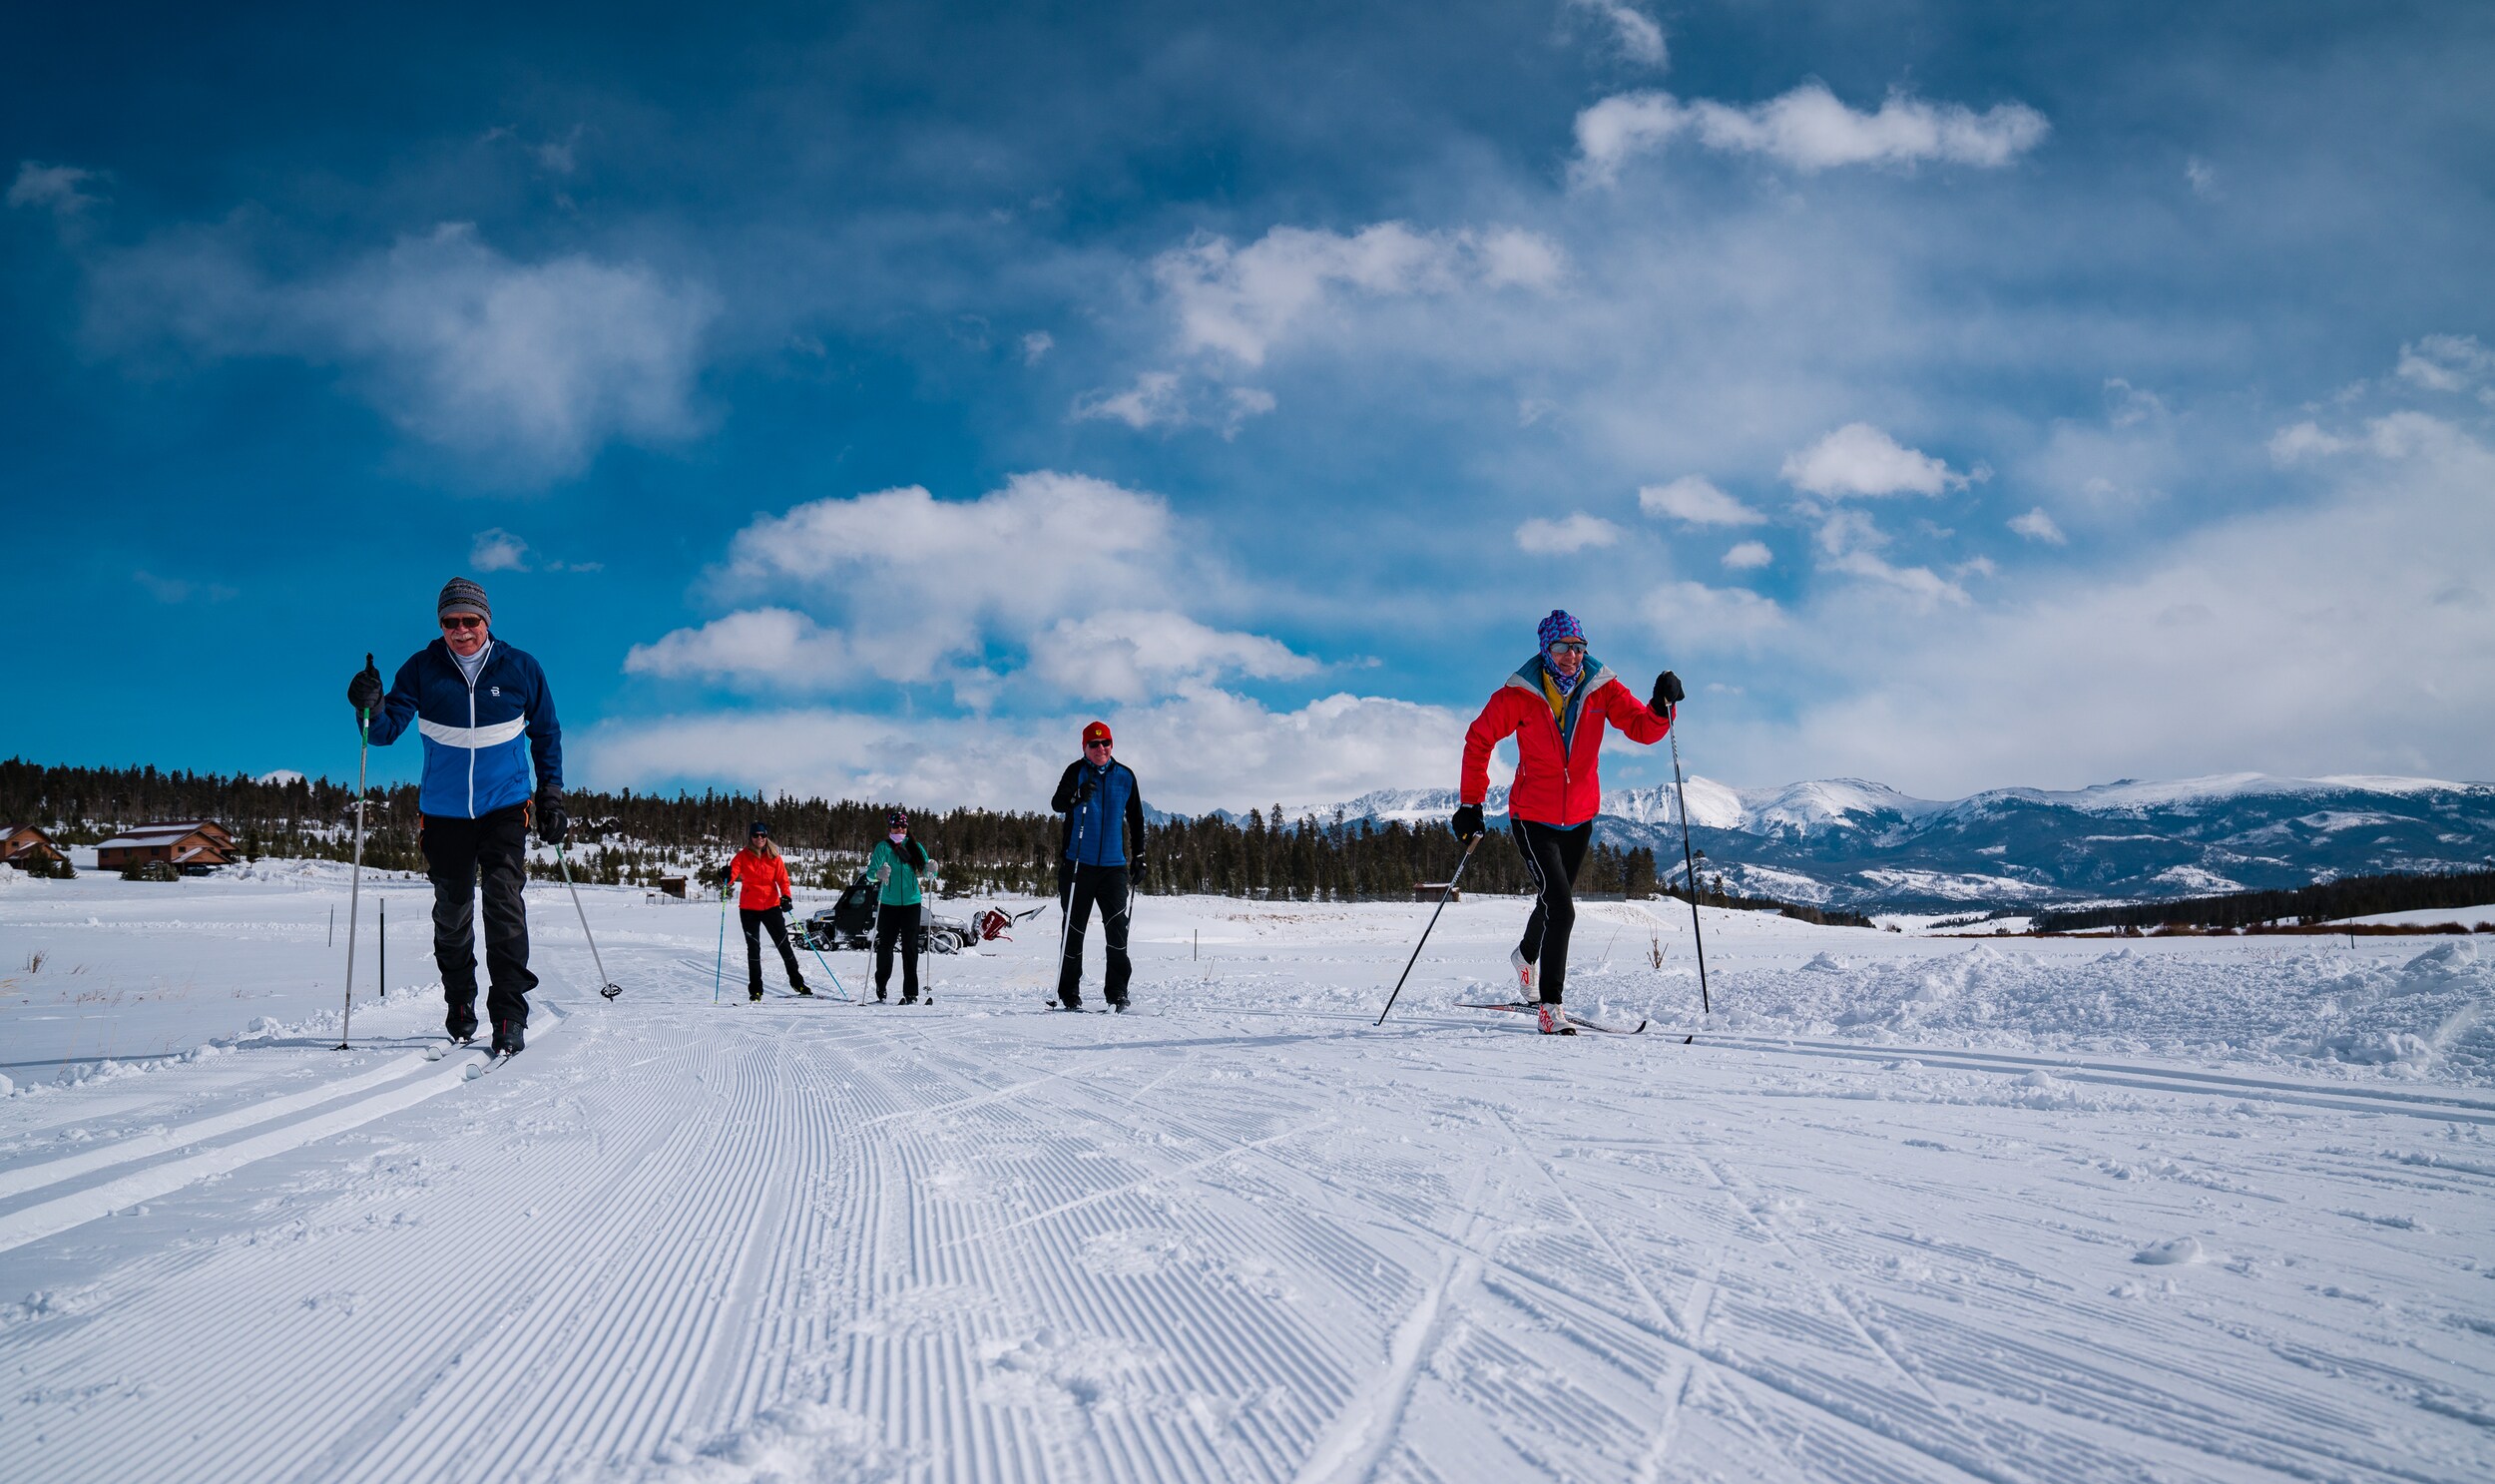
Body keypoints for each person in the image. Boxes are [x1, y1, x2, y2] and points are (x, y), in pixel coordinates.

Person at [347, 578, 562, 1057]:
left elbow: (546, 733)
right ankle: (460, 1002)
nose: (461, 630)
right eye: (450, 622)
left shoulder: (521, 668)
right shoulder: (422, 670)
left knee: (504, 902)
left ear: (487, 621)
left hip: (505, 805)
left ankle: (508, 1013)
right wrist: (369, 705)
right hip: (443, 813)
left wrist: (551, 795)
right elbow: (382, 734)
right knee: (453, 912)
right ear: (440, 624)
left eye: (471, 620)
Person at [1455, 610, 1682, 1036]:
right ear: (1546, 650)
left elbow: (1641, 728)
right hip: (1532, 816)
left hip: (1579, 818)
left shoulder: (1601, 688)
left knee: (1550, 901)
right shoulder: (1518, 695)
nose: (1572, 656)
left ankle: (1525, 957)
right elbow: (1479, 738)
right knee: (1562, 908)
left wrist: (1659, 706)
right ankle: (1550, 1007)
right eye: (1562, 648)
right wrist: (1471, 803)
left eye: (1579, 648)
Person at [1050, 721, 1146, 1011]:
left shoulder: (1125, 776)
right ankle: (1069, 993)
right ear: (1085, 747)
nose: (1101, 748)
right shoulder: (1075, 772)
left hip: (1113, 867)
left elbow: (1137, 819)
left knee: (1117, 931)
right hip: (1078, 864)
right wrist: (1077, 797)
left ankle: (1117, 992)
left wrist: (1139, 857)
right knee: (1073, 932)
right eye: (1094, 744)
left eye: (1106, 743)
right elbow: (1057, 803)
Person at [729, 821, 810, 1002]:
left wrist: (786, 897)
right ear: (750, 837)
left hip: (772, 906)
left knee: (784, 945)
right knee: (753, 949)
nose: (759, 838)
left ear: (767, 837)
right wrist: (727, 877)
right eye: (756, 835)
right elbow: (732, 873)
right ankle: (756, 989)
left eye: (763, 835)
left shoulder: (774, 857)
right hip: (749, 908)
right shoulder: (742, 856)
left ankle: (798, 983)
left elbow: (783, 880)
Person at [863, 809, 935, 1003]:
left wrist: (932, 870)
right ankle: (881, 987)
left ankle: (911, 993)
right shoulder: (883, 848)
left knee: (910, 948)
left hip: (912, 903)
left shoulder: (915, 846)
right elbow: (870, 875)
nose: (900, 829)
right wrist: (879, 874)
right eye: (896, 825)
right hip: (889, 903)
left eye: (903, 825)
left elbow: (927, 873)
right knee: (886, 946)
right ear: (890, 827)